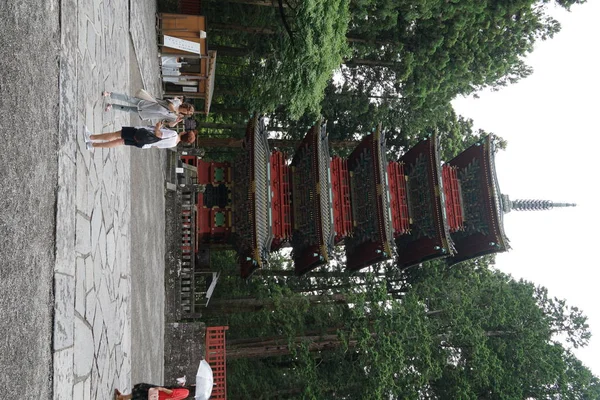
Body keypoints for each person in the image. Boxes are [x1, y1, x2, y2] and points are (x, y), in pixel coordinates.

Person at [102, 91, 195, 127]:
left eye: (187, 113)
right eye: (187, 110)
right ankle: (111, 94)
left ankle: (112, 106)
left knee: (129, 109)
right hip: (149, 103)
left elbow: (170, 124)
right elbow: (170, 104)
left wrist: (176, 121)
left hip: (149, 113)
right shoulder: (177, 103)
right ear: (185, 106)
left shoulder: (176, 116)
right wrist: (174, 111)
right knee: (130, 99)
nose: (185, 112)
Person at [83, 123, 196, 150]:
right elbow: (158, 145)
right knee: (120, 142)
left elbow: (159, 134)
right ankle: (92, 145)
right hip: (144, 143)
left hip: (142, 134)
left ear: (184, 133)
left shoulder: (174, 134)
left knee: (117, 134)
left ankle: (91, 137)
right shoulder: (173, 144)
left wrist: (158, 126)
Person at [114, 385, 190, 400]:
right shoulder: (186, 394)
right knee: (139, 394)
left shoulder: (186, 392)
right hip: (158, 395)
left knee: (140, 390)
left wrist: (162, 389)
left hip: (159, 394)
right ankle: (123, 397)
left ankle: (122, 398)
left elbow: (172, 393)